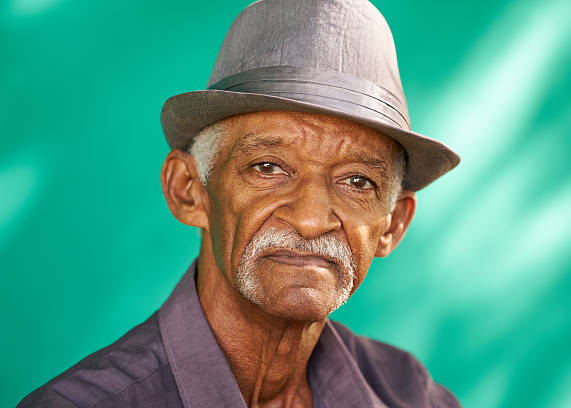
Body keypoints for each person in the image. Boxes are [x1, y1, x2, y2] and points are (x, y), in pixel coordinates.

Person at [18, 0, 461, 407]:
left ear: (392, 225)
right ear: (188, 190)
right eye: (268, 167)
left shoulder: (412, 395)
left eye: (358, 181)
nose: (310, 220)